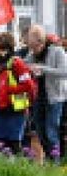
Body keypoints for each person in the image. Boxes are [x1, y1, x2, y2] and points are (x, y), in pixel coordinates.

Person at [0, 32, 37, 156]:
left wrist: (7, 90)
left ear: (2, 47)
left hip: (14, 111)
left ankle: (18, 171)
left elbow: (28, 85)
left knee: (14, 146)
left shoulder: (16, 63)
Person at [24, 25, 65, 162]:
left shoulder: (57, 52)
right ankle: (49, 159)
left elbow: (64, 72)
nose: (32, 51)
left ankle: (55, 162)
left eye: (34, 47)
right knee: (41, 133)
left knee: (51, 131)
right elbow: (25, 67)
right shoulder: (31, 54)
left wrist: (43, 69)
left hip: (55, 98)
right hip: (38, 98)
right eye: (30, 47)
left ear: (42, 42)